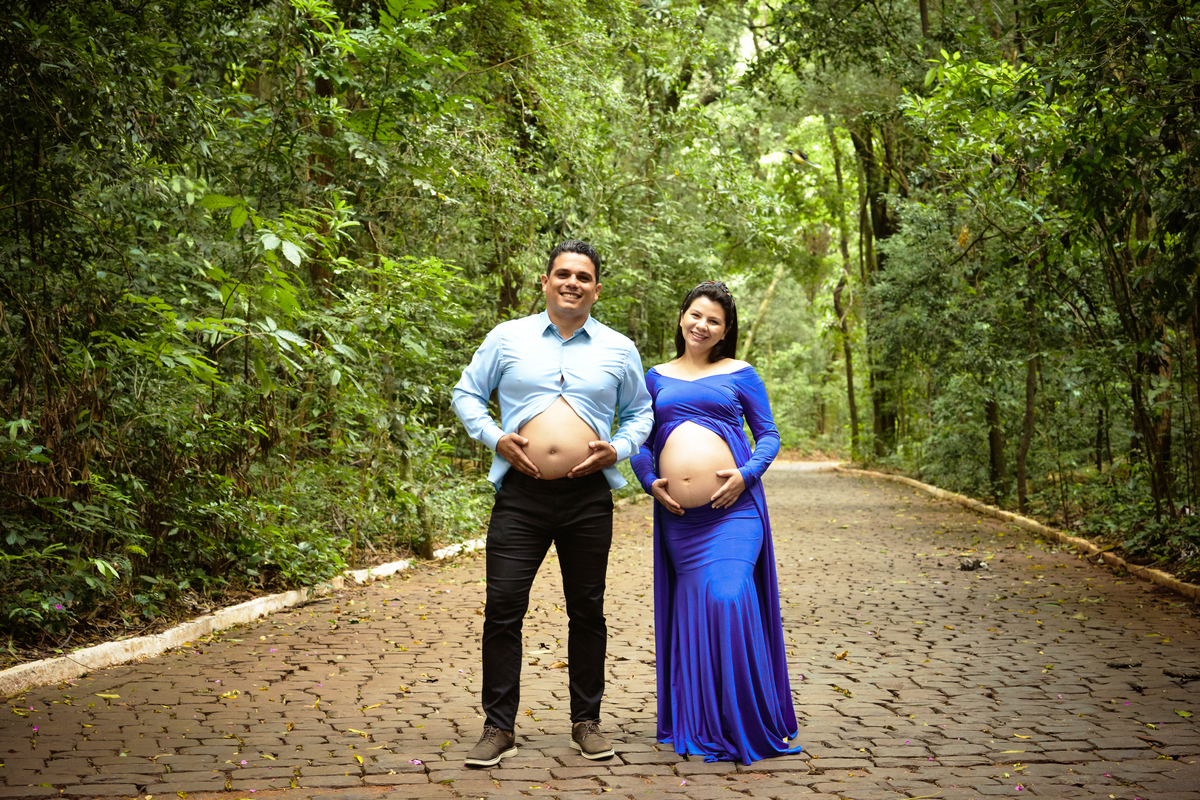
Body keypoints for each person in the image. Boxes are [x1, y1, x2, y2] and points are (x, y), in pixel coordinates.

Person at [452, 240, 654, 767]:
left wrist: (620, 447)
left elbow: (641, 412)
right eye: (563, 274)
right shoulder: (507, 337)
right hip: (521, 497)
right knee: (503, 607)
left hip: (588, 497)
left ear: (596, 290)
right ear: (545, 282)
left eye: (583, 277)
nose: (572, 283)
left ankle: (586, 722)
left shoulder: (619, 348)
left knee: (587, 609)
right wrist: (496, 437)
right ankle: (498, 727)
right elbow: (466, 394)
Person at [630, 280, 802, 764]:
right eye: (696, 315)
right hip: (681, 522)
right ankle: (706, 719)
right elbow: (641, 441)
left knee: (728, 597)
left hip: (734, 513)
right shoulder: (655, 377)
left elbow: (768, 435)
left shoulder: (740, 373)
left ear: (725, 331)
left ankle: (745, 720)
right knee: (694, 612)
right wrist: (649, 480)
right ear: (682, 316)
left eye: (714, 321)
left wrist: (746, 475)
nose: (702, 325)